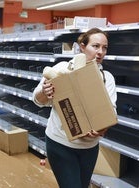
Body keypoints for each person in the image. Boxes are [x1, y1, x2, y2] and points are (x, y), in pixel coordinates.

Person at [32, 28, 117, 188]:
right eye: (95, 46)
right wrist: (45, 92)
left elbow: (110, 113)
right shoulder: (61, 70)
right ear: (82, 46)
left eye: (104, 48)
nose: (100, 52)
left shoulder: (107, 79)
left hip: (89, 148)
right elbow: (37, 100)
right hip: (60, 144)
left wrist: (101, 130)